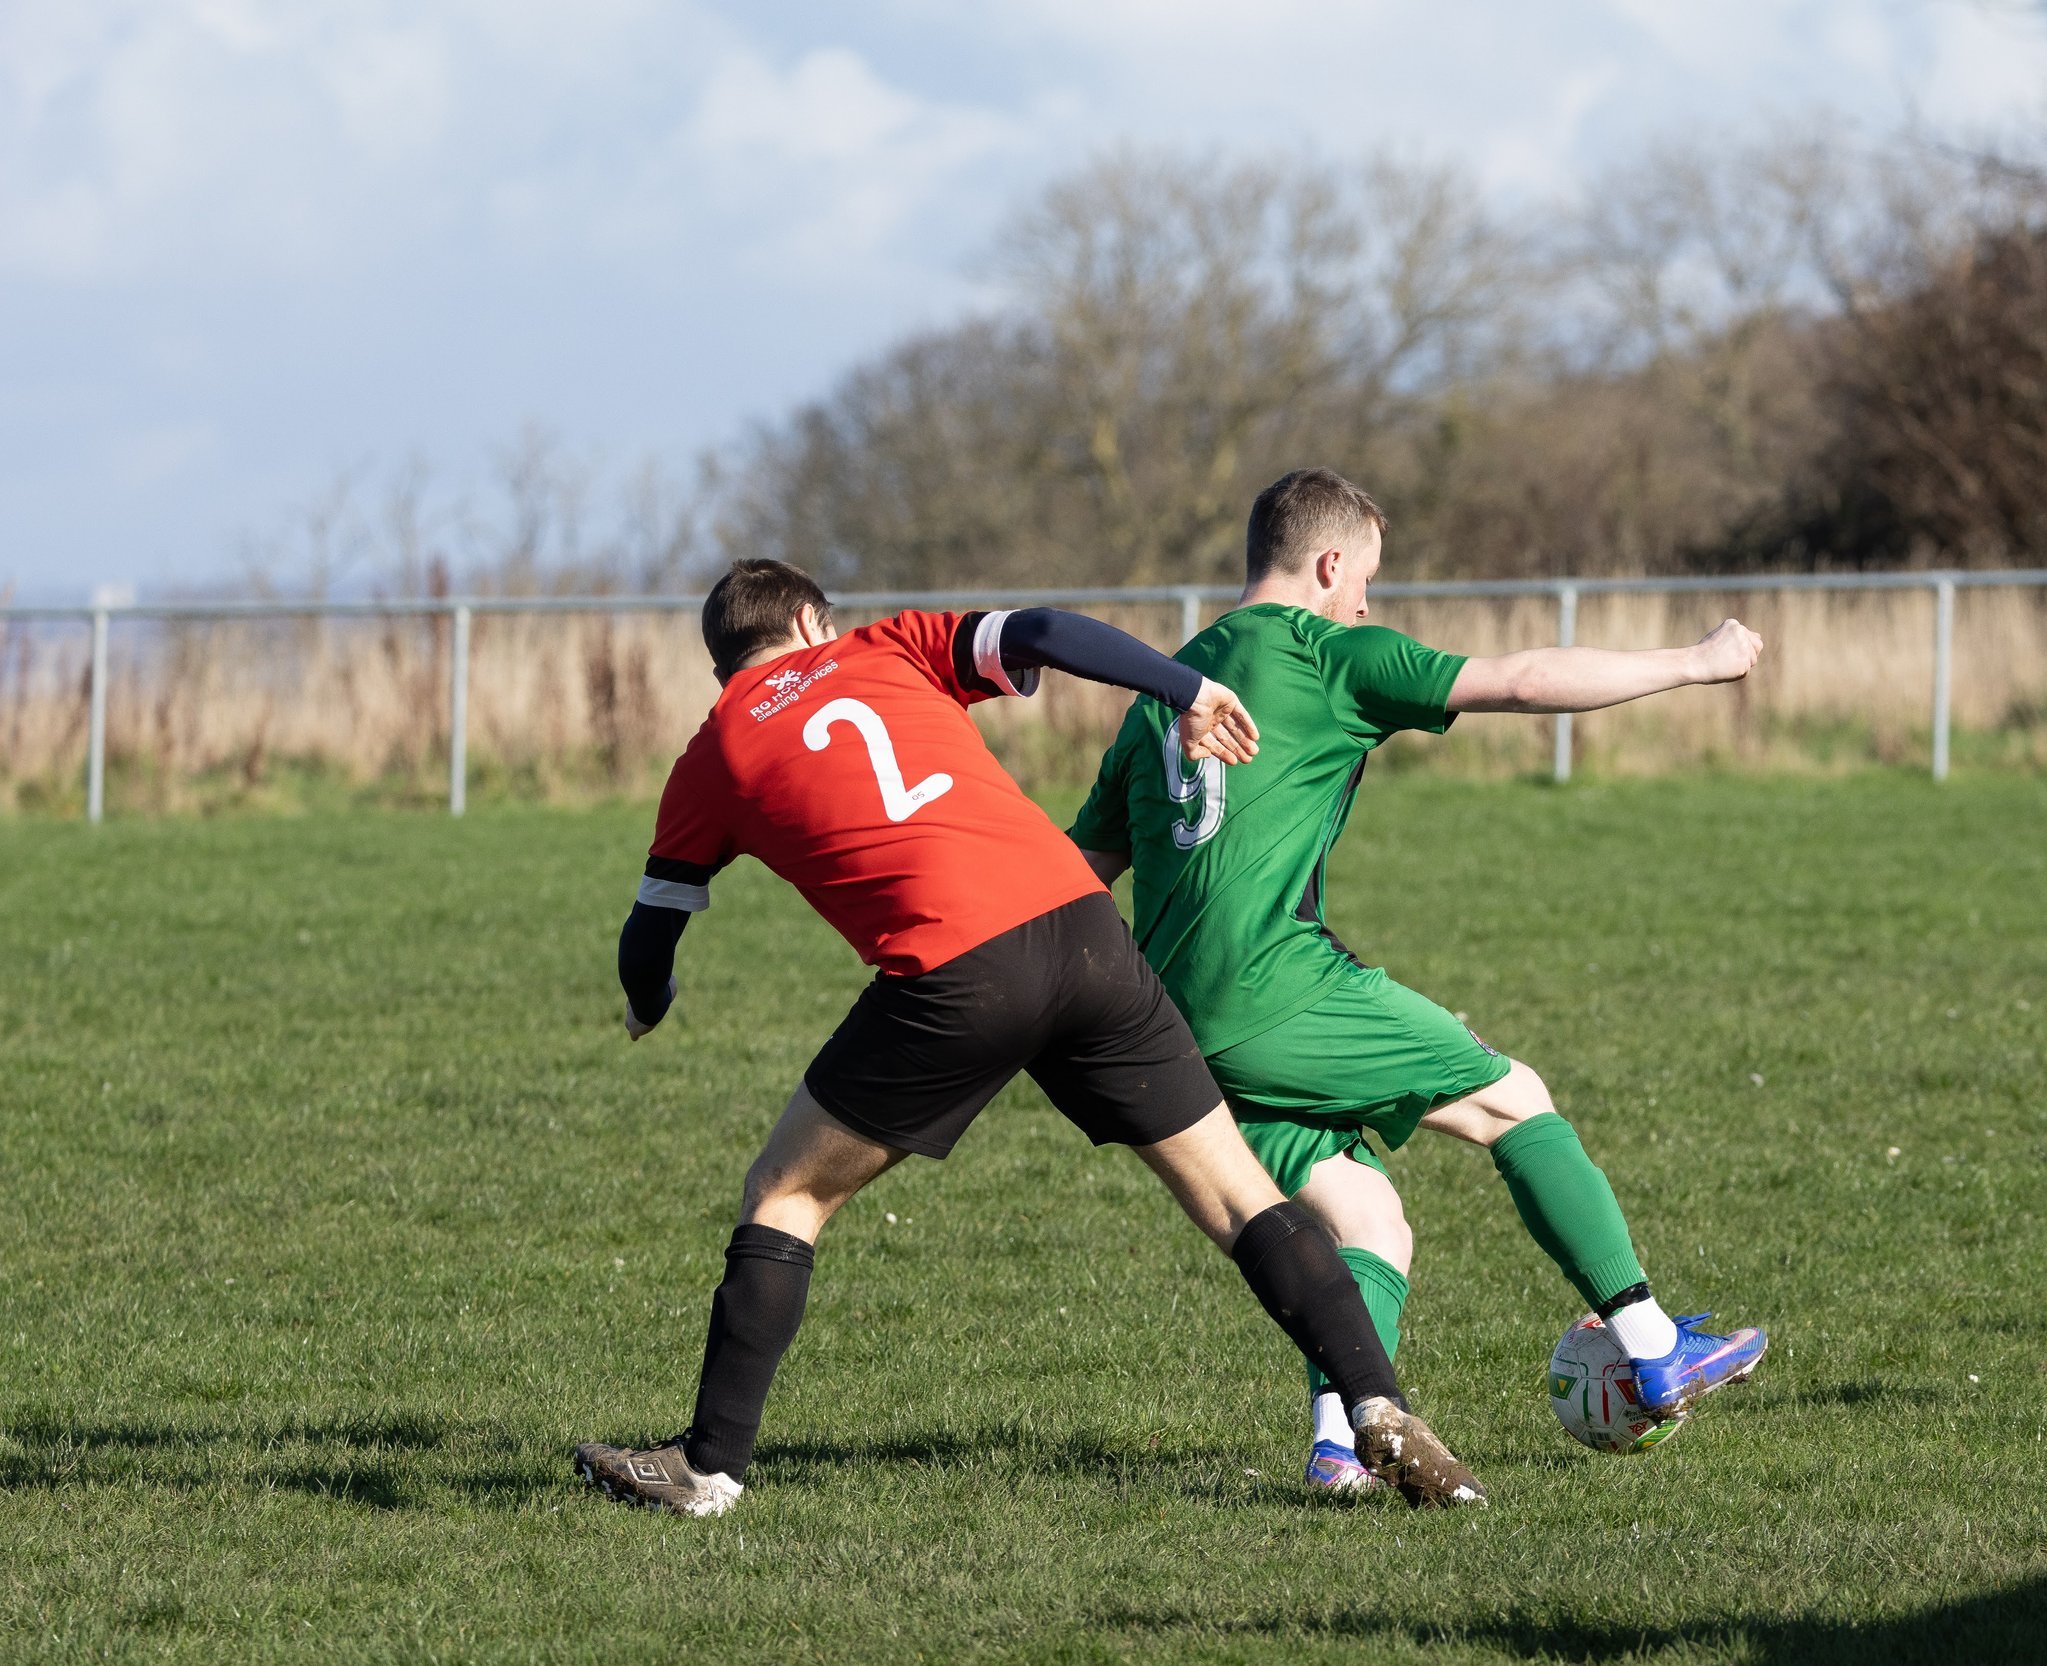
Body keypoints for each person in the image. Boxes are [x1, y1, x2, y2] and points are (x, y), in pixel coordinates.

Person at [573, 558, 1483, 1515]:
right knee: (1241, 1197)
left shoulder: (713, 751)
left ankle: (709, 1468)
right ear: (809, 620)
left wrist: (649, 999)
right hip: (1085, 930)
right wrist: (1191, 686)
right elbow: (1044, 627)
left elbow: (649, 935)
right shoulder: (885, 645)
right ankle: (1377, 1402)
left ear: (725, 662)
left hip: (955, 972)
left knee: (784, 1194)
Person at [1069, 469, 1769, 1491]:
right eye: (1366, 581)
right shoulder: (1325, 652)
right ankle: (1654, 1342)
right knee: (1511, 1098)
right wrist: (1695, 664)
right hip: (1282, 989)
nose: (1367, 604)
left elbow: (1077, 874)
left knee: (1366, 1220)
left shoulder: (1163, 690)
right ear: (1328, 564)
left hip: (1178, 1034)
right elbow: (1523, 680)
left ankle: (1338, 1445)